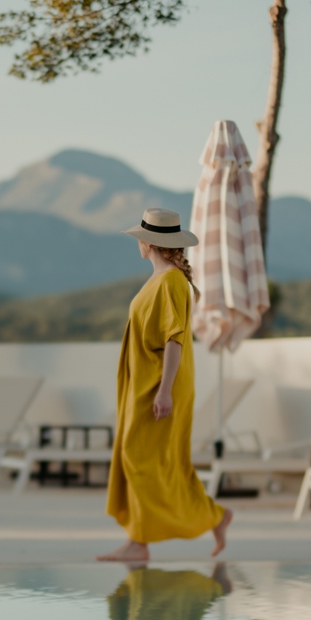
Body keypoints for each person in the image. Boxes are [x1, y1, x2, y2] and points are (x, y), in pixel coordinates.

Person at [98, 208, 234, 563]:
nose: (137, 244)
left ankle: (195, 523)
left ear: (149, 242)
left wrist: (164, 390)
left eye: (139, 239)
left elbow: (175, 340)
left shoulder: (172, 281)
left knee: (147, 460)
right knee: (142, 459)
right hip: (143, 383)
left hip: (158, 384)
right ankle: (142, 539)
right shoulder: (161, 278)